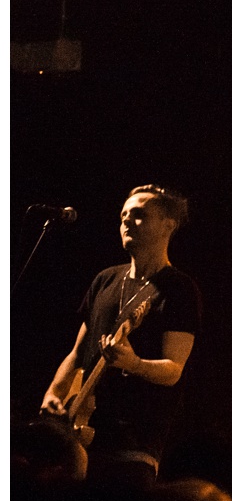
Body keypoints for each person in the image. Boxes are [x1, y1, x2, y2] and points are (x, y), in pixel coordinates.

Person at [40, 184, 202, 484]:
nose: (126, 221)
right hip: (80, 440)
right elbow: (77, 353)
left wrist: (134, 363)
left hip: (132, 443)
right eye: (123, 215)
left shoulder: (178, 289)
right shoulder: (105, 280)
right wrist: (54, 393)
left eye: (139, 215)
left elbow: (173, 370)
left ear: (169, 226)